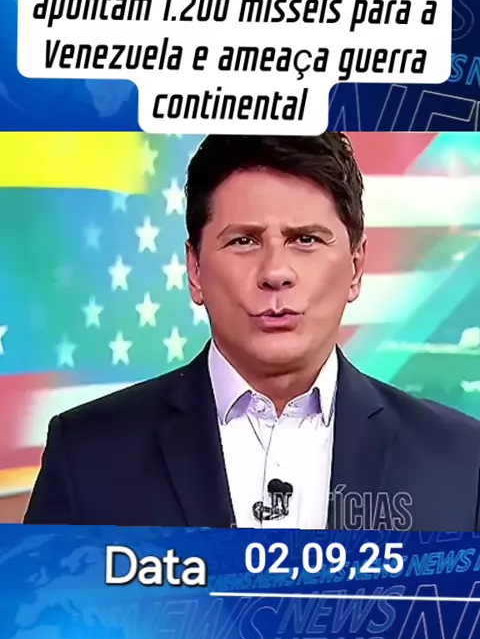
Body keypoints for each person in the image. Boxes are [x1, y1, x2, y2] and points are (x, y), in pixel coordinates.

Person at [24, 133, 480, 530]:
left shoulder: (461, 459)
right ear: (195, 269)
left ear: (356, 266)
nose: (275, 272)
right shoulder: (87, 454)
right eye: (244, 241)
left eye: (305, 239)